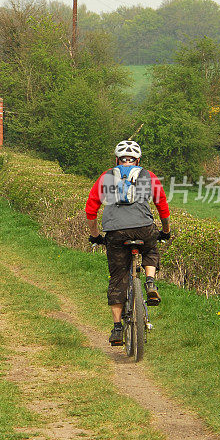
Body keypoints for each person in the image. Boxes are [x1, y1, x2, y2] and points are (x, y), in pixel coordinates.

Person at [84, 140, 171, 346]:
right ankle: (150, 282)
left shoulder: (106, 177)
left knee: (117, 277)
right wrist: (165, 231)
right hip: (144, 228)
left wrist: (96, 235)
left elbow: (91, 209)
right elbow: (162, 206)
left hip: (115, 232)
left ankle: (116, 328)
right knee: (150, 249)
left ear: (116, 159)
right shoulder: (148, 176)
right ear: (138, 160)